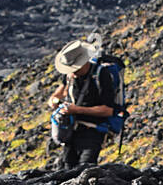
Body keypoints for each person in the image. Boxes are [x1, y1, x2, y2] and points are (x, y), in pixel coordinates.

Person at [48, 39, 117, 168]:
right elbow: (56, 95)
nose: (73, 72)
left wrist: (77, 110)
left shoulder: (101, 75)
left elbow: (108, 110)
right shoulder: (70, 76)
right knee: (66, 171)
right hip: (71, 132)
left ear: (84, 62)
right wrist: (55, 102)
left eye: (75, 69)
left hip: (93, 132)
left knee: (85, 170)